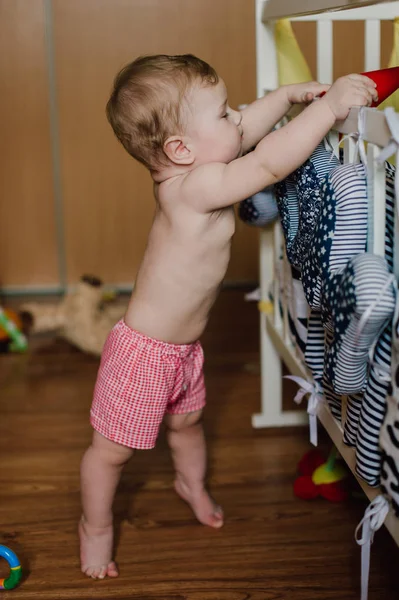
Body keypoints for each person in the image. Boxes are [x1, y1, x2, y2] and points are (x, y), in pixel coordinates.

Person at [79, 54, 377, 579]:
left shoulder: (197, 166)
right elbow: (266, 164)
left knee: (188, 425)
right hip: (143, 355)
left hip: (184, 350)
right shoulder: (194, 190)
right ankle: (95, 527)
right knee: (112, 452)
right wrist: (327, 109)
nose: (238, 119)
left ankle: (190, 483)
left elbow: (242, 136)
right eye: (224, 114)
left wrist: (285, 98)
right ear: (180, 149)